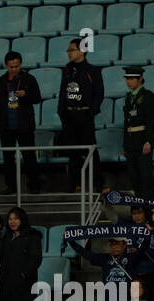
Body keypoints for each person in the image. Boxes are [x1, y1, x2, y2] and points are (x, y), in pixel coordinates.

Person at [0, 51, 43, 195]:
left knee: (29, 156)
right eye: (11, 66)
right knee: (8, 158)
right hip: (6, 126)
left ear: (21, 64)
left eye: (17, 66)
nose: (14, 69)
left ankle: (34, 185)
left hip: (24, 125)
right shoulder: (0, 82)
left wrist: (26, 96)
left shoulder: (29, 79)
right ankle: (11, 187)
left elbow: (37, 98)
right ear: (6, 65)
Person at [58, 37, 104, 191]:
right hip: (69, 116)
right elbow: (62, 92)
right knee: (73, 152)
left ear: (82, 51)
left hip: (85, 115)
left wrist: (91, 112)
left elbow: (99, 93)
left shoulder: (92, 71)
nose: (69, 53)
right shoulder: (67, 70)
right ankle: (74, 184)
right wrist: (62, 112)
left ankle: (98, 184)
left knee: (91, 150)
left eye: (72, 50)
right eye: (69, 50)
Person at [0, 207, 42, 301]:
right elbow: (1, 258)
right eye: (10, 219)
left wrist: (23, 274)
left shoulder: (33, 236)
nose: (12, 222)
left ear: (22, 220)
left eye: (16, 219)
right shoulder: (6, 237)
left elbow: (36, 259)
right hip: (7, 285)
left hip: (25, 285)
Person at [121, 67, 154, 200]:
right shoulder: (129, 97)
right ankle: (140, 206)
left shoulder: (148, 96)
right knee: (134, 178)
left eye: (132, 79)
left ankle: (149, 207)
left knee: (145, 177)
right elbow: (126, 123)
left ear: (140, 79)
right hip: (131, 143)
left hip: (142, 141)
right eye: (127, 79)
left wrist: (148, 141)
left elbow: (151, 120)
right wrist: (125, 145)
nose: (128, 82)